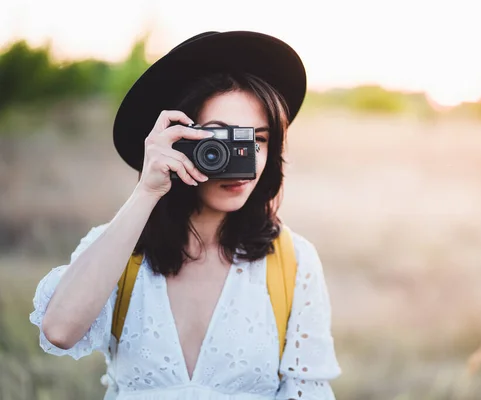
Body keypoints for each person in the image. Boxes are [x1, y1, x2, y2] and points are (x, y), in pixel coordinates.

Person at [29, 31, 341, 400]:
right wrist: (147, 191)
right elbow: (60, 331)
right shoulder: (120, 249)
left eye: (256, 140)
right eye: (218, 140)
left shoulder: (294, 262)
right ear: (177, 141)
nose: (243, 163)